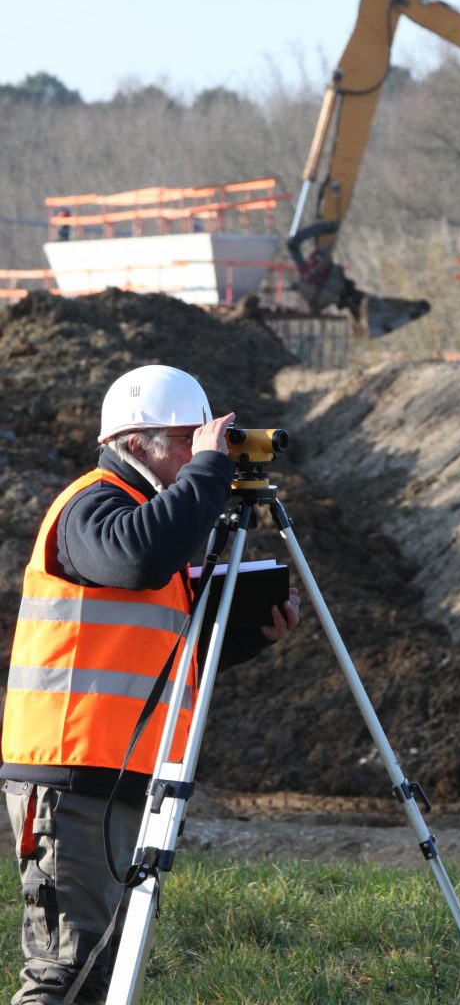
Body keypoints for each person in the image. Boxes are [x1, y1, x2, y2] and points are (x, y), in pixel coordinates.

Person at [0, 364, 300, 1004]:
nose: (203, 449)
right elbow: (136, 556)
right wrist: (210, 473)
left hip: (125, 773)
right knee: (67, 971)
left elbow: (160, 654)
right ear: (136, 443)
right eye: (186, 437)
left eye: (205, 438)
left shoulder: (157, 523)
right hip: (73, 776)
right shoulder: (93, 505)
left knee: (104, 971)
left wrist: (250, 631)